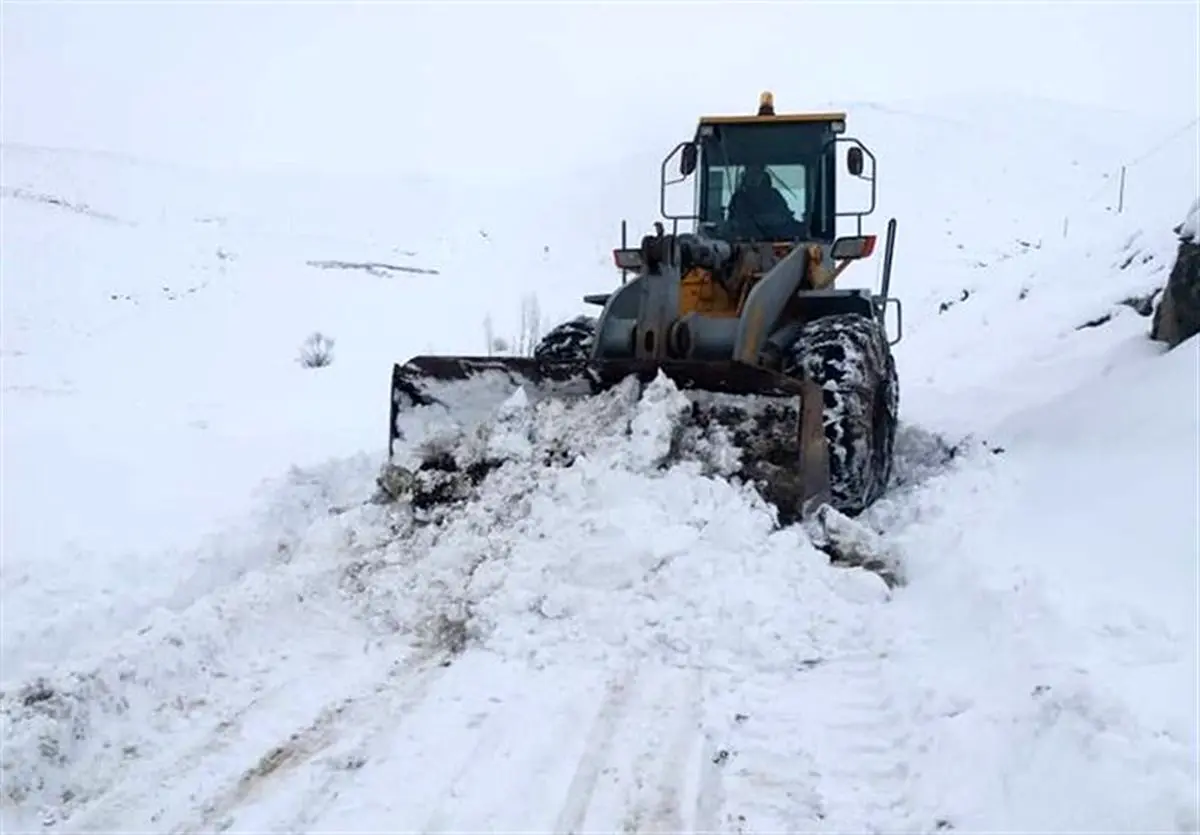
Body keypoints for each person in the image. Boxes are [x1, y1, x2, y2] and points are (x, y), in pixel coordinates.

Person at [726, 164, 801, 238]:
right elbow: (732, 223)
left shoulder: (774, 196)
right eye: (750, 173)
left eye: (757, 173)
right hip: (742, 243)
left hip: (776, 241)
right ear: (745, 175)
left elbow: (785, 218)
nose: (753, 177)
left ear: (762, 175)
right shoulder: (738, 197)